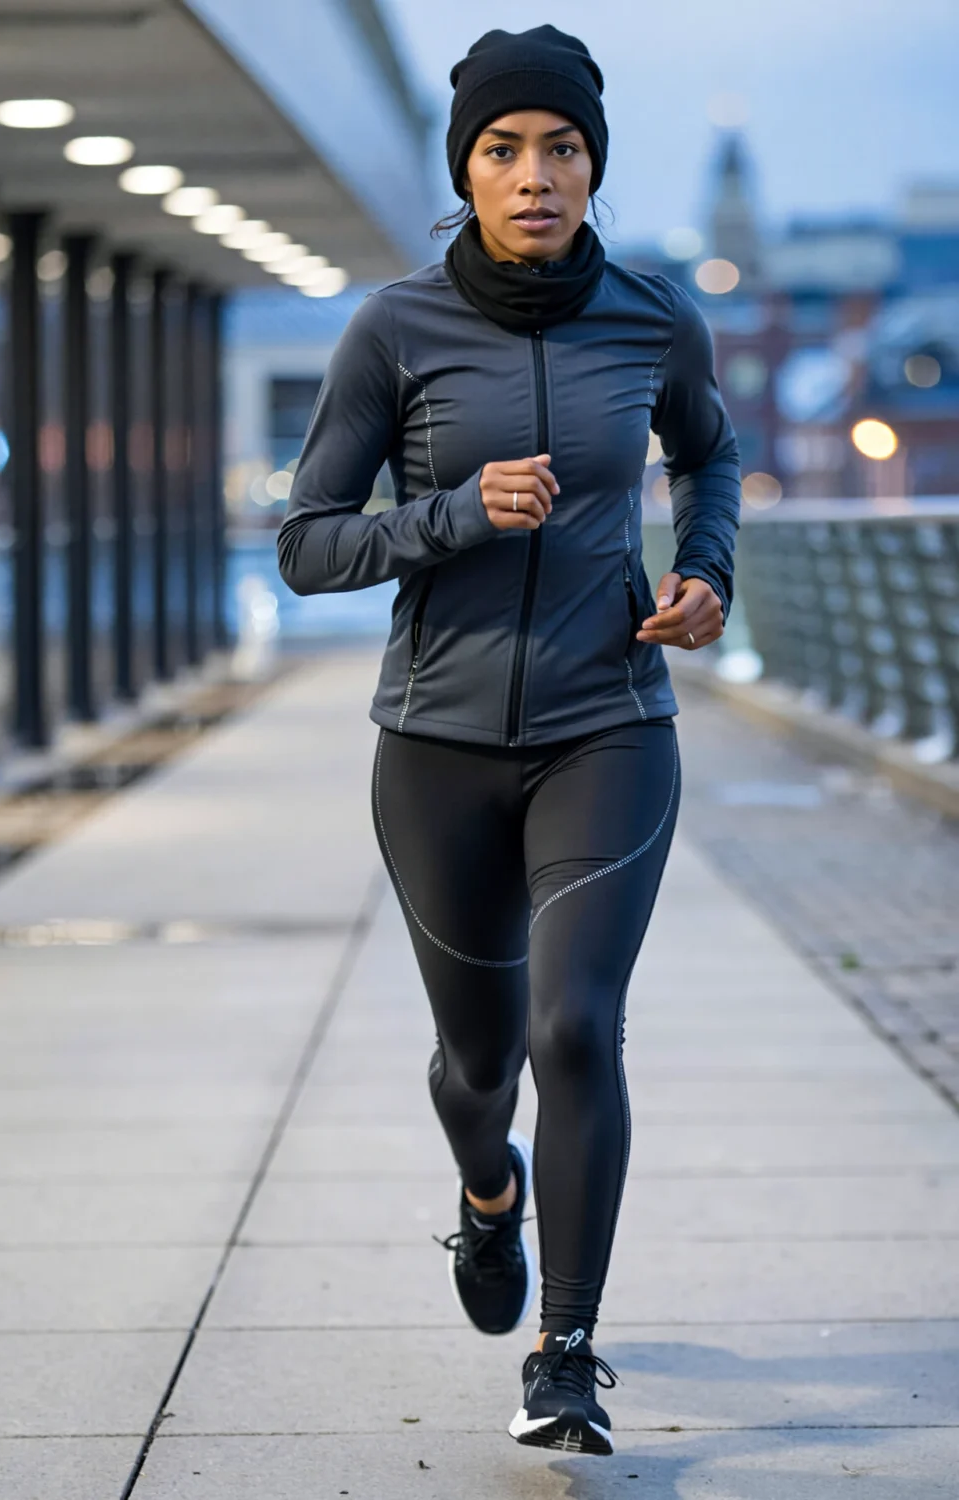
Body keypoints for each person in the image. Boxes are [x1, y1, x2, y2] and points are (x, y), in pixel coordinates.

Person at [278, 24, 741, 1457]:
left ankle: (568, 1351)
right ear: (466, 169)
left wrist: (709, 571)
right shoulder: (394, 330)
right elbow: (304, 546)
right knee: (477, 1069)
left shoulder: (654, 318)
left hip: (611, 725)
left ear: (594, 165)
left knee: (574, 1026)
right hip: (438, 748)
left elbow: (707, 450)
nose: (535, 175)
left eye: (562, 148)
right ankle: (491, 1195)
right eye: (503, 149)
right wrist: (460, 514)